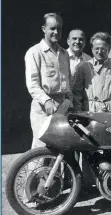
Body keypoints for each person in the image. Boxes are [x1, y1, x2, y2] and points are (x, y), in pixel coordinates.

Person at [25, 13, 71, 148]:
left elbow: (68, 80)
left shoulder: (64, 54)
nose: (56, 32)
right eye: (52, 28)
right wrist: (46, 100)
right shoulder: (34, 52)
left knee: (60, 148)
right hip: (43, 108)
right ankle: (35, 170)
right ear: (44, 29)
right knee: (41, 148)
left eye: (59, 29)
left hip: (63, 107)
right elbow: (32, 84)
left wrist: (69, 101)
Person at [72, 32, 111, 113]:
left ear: (108, 49)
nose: (99, 52)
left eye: (103, 49)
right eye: (96, 48)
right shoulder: (83, 67)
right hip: (90, 110)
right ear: (92, 49)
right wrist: (78, 112)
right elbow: (77, 93)